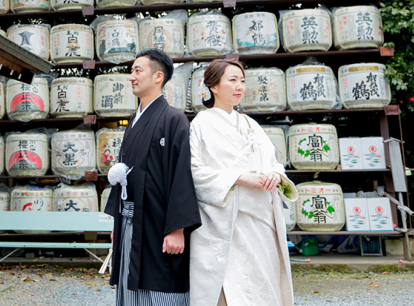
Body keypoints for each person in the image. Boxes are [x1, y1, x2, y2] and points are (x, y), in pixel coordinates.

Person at [189, 59, 298, 306]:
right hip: (224, 221)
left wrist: (275, 176)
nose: (239, 86)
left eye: (242, 81)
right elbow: (194, 172)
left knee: (261, 288)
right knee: (228, 290)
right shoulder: (200, 124)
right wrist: (238, 178)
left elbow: (274, 163)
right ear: (213, 86)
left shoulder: (251, 125)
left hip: (259, 221)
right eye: (232, 80)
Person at [105, 48, 202, 306]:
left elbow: (181, 175)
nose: (131, 77)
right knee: (130, 281)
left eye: (138, 70)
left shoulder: (174, 119)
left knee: (160, 284)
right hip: (130, 220)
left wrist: (177, 228)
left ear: (158, 76)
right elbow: (123, 173)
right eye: (132, 71)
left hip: (160, 223)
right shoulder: (133, 121)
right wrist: (117, 221)